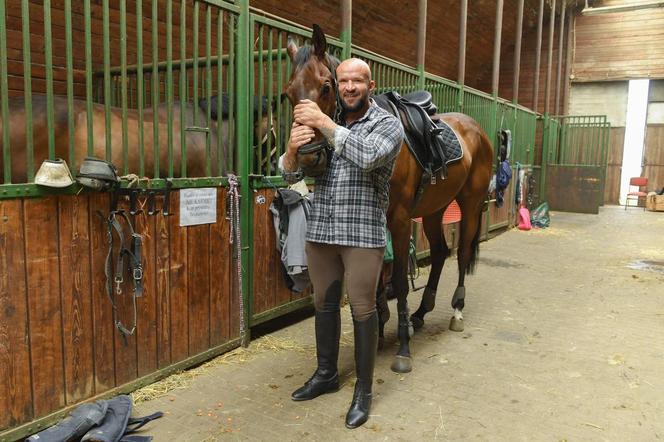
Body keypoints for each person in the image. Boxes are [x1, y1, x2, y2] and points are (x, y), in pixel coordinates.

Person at [280, 58, 404, 429]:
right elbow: (289, 174)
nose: (349, 87)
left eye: (357, 81)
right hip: (321, 231)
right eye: (344, 80)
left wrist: (324, 124)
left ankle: (364, 390)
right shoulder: (326, 117)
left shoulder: (386, 124)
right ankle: (326, 374)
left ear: (370, 84)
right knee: (323, 303)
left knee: (363, 307)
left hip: (362, 233)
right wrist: (290, 149)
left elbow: (366, 157)